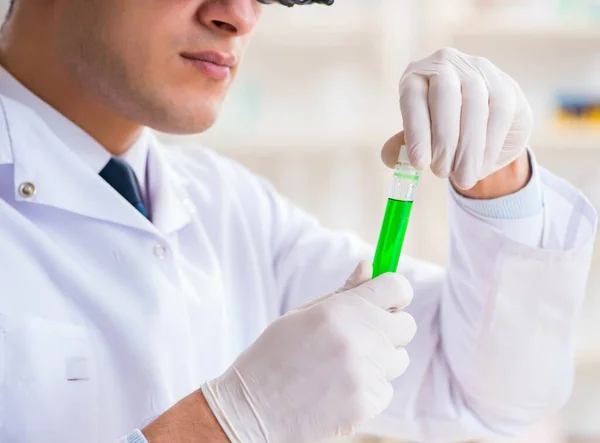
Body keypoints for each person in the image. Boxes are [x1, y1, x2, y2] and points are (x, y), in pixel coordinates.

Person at [0, 0, 596, 442]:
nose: (238, 16)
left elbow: (486, 394)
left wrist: (498, 178)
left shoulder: (230, 207)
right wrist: (221, 427)